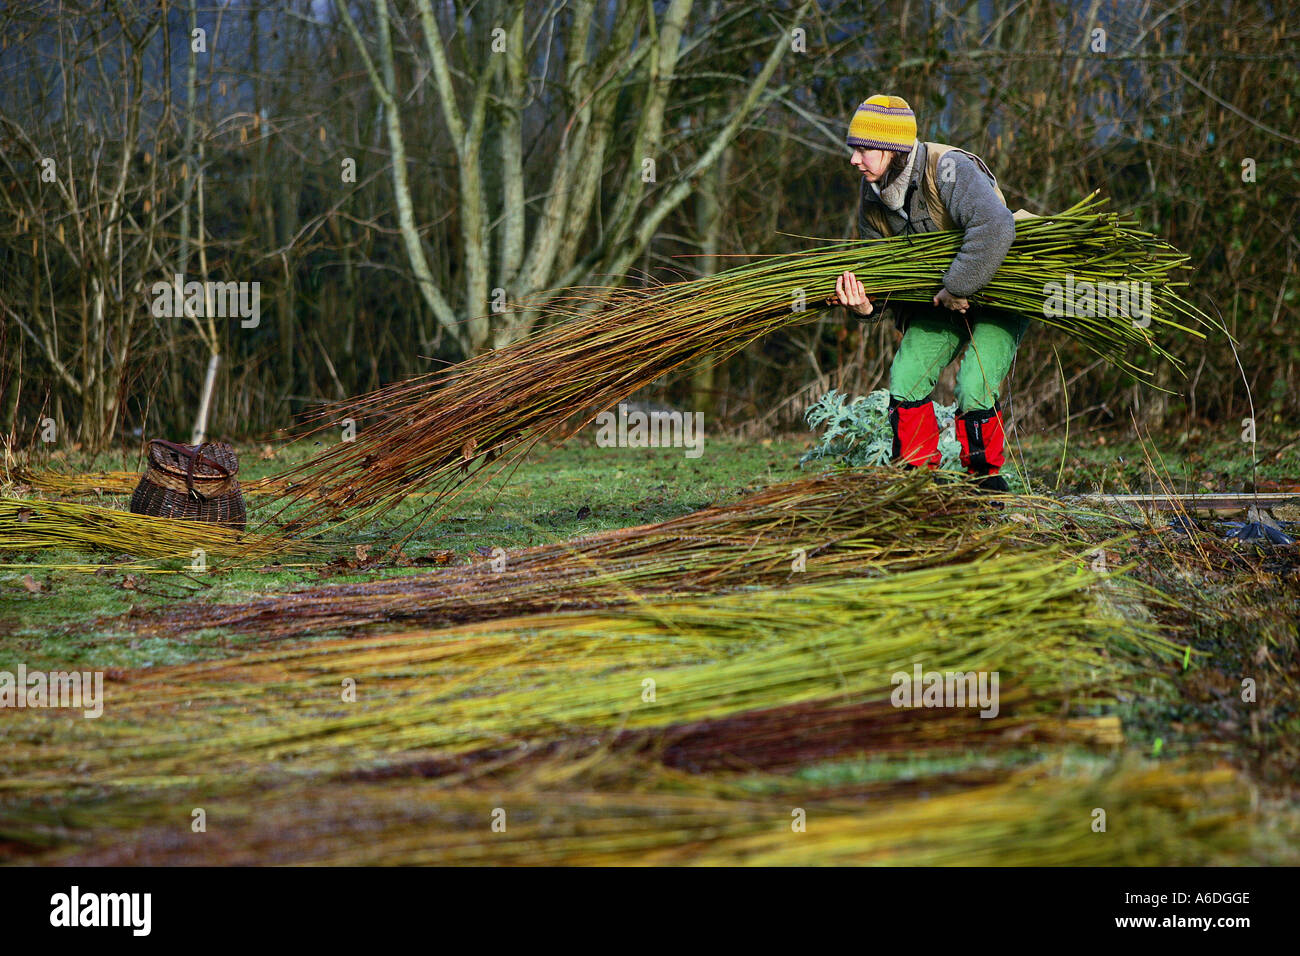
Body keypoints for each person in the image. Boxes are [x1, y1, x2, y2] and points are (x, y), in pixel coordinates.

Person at [830, 94, 1027, 492]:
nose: (854, 160)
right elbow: (886, 276)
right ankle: (918, 488)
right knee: (905, 378)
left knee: (973, 386)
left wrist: (956, 287)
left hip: (1001, 290)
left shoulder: (949, 168)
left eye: (863, 150)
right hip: (939, 301)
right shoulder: (872, 196)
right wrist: (866, 305)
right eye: (854, 150)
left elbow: (996, 228)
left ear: (893, 149)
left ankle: (984, 489)